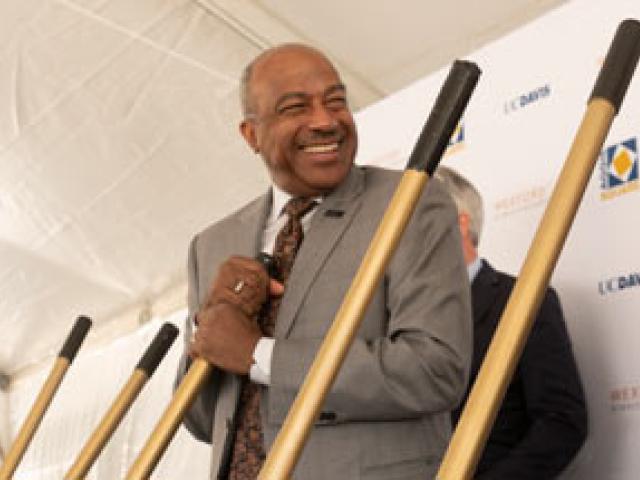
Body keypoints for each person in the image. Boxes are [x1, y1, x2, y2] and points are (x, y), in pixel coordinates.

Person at [176, 44, 473, 480]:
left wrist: (257, 352)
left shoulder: (409, 203)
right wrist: (211, 329)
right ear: (250, 134)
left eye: (336, 101)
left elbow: (433, 369)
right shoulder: (212, 244)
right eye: (295, 107)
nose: (325, 120)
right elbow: (203, 421)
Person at [436, 166, 588, 479]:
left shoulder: (522, 302)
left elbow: (561, 422)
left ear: (460, 224)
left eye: (418, 222)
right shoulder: (397, 315)